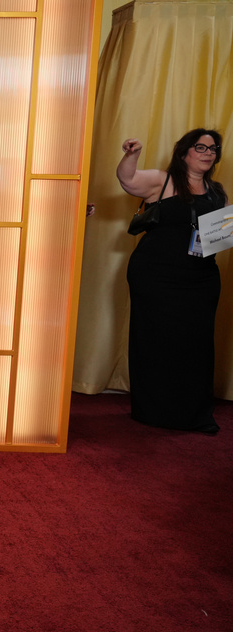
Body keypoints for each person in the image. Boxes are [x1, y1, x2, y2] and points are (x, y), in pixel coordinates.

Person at [116, 129, 228, 433]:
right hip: (156, 277)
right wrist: (132, 153)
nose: (207, 153)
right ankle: (153, 410)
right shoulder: (162, 181)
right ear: (183, 153)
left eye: (213, 149)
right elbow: (127, 180)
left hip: (201, 279)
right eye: (200, 147)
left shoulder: (216, 191)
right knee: (155, 341)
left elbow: (217, 238)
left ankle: (193, 412)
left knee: (196, 345)